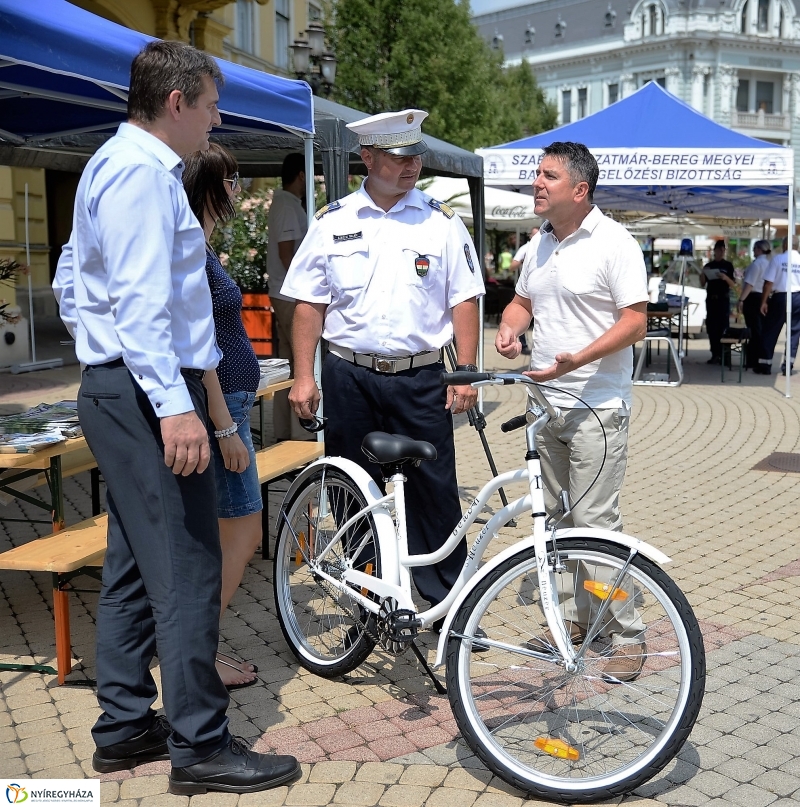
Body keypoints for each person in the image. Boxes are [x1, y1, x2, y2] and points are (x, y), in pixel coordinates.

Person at [52, 41, 298, 794]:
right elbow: (139, 304)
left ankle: (124, 725)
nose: (218, 118)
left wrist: (117, 366)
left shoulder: (121, 166)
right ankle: (202, 746)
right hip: (144, 392)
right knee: (189, 570)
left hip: (126, 387)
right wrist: (171, 404)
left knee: (132, 564)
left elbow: (71, 281)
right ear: (178, 102)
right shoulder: (137, 173)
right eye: (212, 103)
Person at [282, 108, 485, 615]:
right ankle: (367, 597)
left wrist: (464, 371)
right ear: (367, 158)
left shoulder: (441, 222)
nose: (411, 165)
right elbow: (309, 303)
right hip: (348, 375)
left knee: (434, 490)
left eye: (416, 155)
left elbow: (465, 299)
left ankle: (447, 604)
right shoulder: (333, 222)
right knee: (353, 486)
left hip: (421, 376)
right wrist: (304, 377)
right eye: (398, 157)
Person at [495, 141, 648, 682]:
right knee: (555, 521)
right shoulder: (539, 243)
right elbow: (523, 301)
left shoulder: (615, 243)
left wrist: (577, 359)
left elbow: (635, 322)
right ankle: (575, 624)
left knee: (594, 523)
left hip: (595, 406)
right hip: (543, 405)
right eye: (537, 173)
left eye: (549, 176)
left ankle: (628, 636)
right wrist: (511, 326)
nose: (537, 183)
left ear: (579, 191)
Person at [182, 143, 262, 690]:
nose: (237, 192)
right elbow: (198, 340)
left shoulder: (202, 242)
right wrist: (224, 423)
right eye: (231, 182)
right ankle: (200, 651)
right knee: (241, 530)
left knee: (233, 530)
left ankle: (201, 647)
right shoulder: (190, 244)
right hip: (221, 405)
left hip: (229, 401)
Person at [266, 153, 308, 441]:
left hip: (284, 293)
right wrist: (307, 289)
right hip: (290, 295)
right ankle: (298, 434)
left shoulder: (287, 204)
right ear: (301, 175)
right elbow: (286, 253)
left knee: (289, 362)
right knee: (301, 361)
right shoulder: (287, 206)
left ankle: (286, 431)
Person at [760, 235, 800, 376]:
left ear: (784, 245)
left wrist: (764, 301)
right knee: (794, 332)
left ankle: (765, 364)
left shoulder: (777, 259)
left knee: (771, 329)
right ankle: (788, 365)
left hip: (780, 297)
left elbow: (769, 283)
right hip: (798, 297)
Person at [700, 239, 736, 364]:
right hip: (711, 300)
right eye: (718, 250)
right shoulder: (709, 265)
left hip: (723, 300)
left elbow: (733, 284)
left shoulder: (728, 266)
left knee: (723, 328)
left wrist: (725, 277)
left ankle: (725, 355)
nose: (720, 252)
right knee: (712, 328)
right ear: (715, 251)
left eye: (722, 250)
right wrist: (703, 273)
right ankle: (715, 354)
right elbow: (702, 283)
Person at [738, 240, 771, 373]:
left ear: (759, 249)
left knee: (752, 330)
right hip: (764, 297)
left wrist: (741, 299)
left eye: (754, 248)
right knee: (760, 330)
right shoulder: (768, 264)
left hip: (753, 298)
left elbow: (749, 284)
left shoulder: (756, 264)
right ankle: (759, 358)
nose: (753, 251)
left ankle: (752, 359)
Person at [509, 226, 540, 356]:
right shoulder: (527, 248)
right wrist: (525, 259)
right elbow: (512, 266)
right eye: (533, 234)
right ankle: (524, 344)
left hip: (544, 288)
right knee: (523, 313)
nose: (535, 236)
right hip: (527, 287)